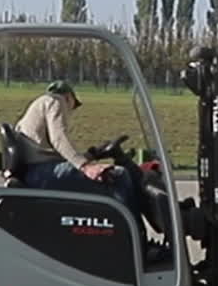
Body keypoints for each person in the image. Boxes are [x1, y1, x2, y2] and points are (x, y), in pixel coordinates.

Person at [14, 80, 143, 217]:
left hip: (36, 172)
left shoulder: (40, 105)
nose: (71, 111)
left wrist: (92, 154)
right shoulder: (56, 101)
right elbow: (58, 139)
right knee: (119, 175)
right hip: (42, 173)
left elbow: (53, 152)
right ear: (69, 97)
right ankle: (133, 232)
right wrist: (85, 167)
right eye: (73, 106)